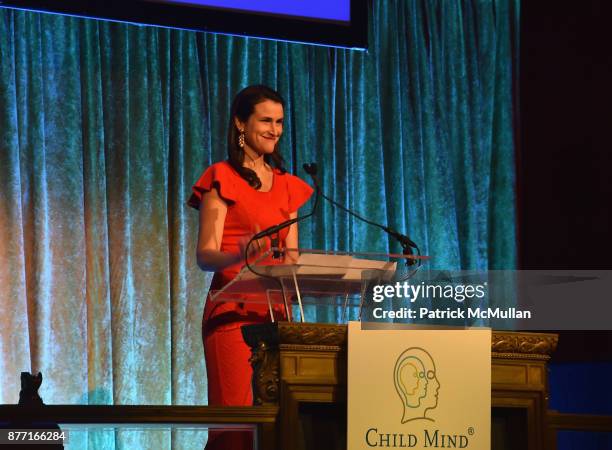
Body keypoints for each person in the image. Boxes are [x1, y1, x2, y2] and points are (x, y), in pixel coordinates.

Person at [188, 85, 313, 449]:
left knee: (280, 425)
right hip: (232, 315)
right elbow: (205, 255)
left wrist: (299, 268)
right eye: (266, 121)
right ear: (241, 124)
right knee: (237, 427)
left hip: (277, 318)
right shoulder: (221, 177)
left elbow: (291, 256)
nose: (275, 129)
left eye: (280, 122)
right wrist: (241, 253)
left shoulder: (289, 186)